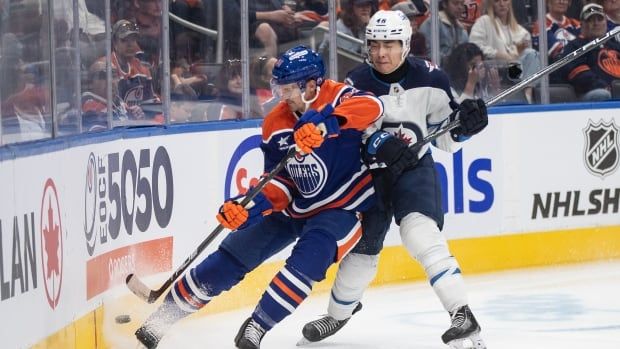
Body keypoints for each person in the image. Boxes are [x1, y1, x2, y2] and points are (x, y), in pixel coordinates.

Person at [133, 45, 384, 349]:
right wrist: (250, 207)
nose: (282, 95)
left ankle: (257, 326)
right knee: (230, 257)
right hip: (296, 205)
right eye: (279, 88)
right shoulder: (276, 122)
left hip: (343, 205)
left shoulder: (339, 95)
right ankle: (161, 320)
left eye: (289, 88)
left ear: (311, 84)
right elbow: (281, 180)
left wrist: (326, 123)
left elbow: (372, 106)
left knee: (307, 263)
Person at [299, 10, 488, 349]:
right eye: (374, 45)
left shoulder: (432, 79)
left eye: (389, 44)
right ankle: (338, 314)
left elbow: (446, 138)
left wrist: (465, 128)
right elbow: (350, 133)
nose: (381, 53)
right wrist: (375, 142)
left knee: (420, 233)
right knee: (362, 249)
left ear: (405, 45)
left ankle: (462, 313)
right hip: (369, 176)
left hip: (414, 170)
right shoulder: (356, 83)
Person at [469, 0, 541, 103]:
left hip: (515, 72)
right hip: (493, 70)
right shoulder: (483, 22)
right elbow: (474, 47)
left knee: (533, 54)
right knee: (523, 59)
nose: (502, 4)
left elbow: (527, 57)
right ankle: (524, 96)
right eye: (497, 1)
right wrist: (500, 55)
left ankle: (527, 94)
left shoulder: (521, 31)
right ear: (491, 4)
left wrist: (515, 54)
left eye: (505, 0)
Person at [559, 3, 618, 101]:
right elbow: (580, 76)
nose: (596, 23)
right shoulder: (575, 46)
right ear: (582, 25)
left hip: (617, 90)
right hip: (591, 94)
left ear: (606, 22)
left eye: (600, 19)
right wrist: (605, 86)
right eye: (590, 20)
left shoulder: (615, 45)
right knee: (602, 94)